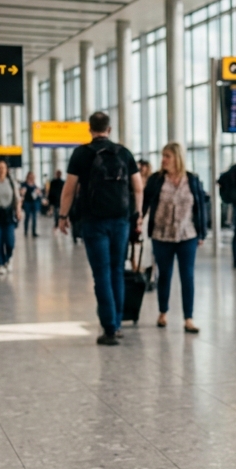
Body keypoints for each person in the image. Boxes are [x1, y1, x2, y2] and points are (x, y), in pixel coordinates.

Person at [57, 111, 143, 346]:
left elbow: (69, 189)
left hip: (93, 220)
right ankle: (116, 322)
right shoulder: (124, 153)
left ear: (89, 129)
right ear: (110, 129)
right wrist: (138, 214)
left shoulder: (81, 154)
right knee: (117, 270)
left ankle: (109, 328)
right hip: (121, 220)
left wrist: (63, 216)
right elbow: (137, 186)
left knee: (101, 274)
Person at [140, 142, 208, 333]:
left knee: (187, 276)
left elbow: (200, 207)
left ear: (177, 158)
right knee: (164, 275)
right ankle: (163, 312)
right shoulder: (156, 180)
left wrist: (202, 233)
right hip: (161, 235)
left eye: (167, 156)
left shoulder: (192, 179)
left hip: (187, 235)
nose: (163, 160)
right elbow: (145, 202)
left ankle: (189, 318)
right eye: (162, 156)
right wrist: (137, 222)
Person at [21, 171, 43, 237]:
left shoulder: (35, 185)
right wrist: (22, 192)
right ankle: (26, 231)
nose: (31, 177)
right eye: (30, 176)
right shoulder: (24, 184)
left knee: (34, 218)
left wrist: (39, 193)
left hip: (34, 203)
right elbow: (22, 193)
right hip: (27, 202)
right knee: (27, 217)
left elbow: (39, 194)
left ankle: (34, 232)